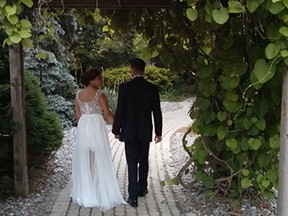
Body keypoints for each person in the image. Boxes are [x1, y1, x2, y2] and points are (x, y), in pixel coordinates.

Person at [71, 67, 126, 211]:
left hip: (84, 127)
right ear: (91, 80)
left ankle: (86, 192)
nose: (101, 80)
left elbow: (78, 116)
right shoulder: (99, 94)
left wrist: (85, 124)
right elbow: (107, 113)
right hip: (96, 127)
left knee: (86, 159)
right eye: (99, 78)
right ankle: (99, 191)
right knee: (99, 157)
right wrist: (117, 129)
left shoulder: (78, 95)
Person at [112, 58, 163, 208]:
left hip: (128, 131)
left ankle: (132, 197)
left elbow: (120, 110)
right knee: (144, 160)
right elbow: (157, 112)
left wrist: (116, 130)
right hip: (145, 131)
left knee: (132, 163)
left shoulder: (124, 87)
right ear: (143, 69)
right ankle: (142, 188)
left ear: (132, 69)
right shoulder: (152, 88)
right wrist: (159, 132)